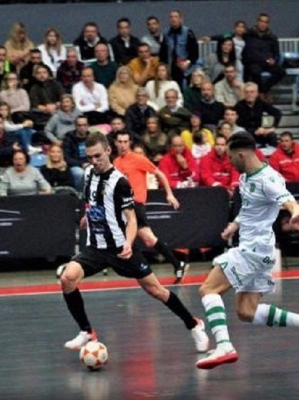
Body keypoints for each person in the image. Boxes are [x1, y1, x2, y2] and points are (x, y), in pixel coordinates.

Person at [58, 130, 208, 352]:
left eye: (98, 156)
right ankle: (87, 331)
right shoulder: (88, 173)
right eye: (89, 157)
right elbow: (93, 201)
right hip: (96, 247)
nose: (94, 161)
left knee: (156, 291)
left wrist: (128, 243)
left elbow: (132, 220)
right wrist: (87, 217)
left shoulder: (120, 182)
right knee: (67, 278)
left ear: (108, 150)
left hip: (121, 248)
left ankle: (194, 324)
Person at [195, 132, 299, 370]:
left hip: (253, 250)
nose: (229, 162)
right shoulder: (246, 176)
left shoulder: (268, 179)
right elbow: (248, 208)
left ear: (241, 155)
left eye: (230, 157)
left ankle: (224, 346)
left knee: (208, 289)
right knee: (246, 311)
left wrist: (296, 212)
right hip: (260, 250)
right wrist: (235, 225)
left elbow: (286, 199)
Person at [113, 131, 188, 282]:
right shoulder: (116, 162)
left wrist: (169, 194)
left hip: (135, 206)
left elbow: (160, 174)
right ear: (115, 143)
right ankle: (177, 264)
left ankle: (140, 270)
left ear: (130, 143)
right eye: (120, 142)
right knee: (149, 240)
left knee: (125, 240)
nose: (122, 145)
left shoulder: (138, 159)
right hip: (122, 206)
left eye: (125, 142)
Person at [242, 13, 285, 97]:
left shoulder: (272, 37)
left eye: (265, 22)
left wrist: (274, 60)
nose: (263, 24)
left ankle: (263, 91)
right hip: (253, 62)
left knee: (281, 72)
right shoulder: (248, 35)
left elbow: (276, 53)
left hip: (267, 62)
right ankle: (261, 94)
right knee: (254, 72)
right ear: (257, 22)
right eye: (261, 21)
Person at [159, 10, 199, 88]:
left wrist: (188, 62)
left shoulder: (188, 32)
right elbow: (163, 51)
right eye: (171, 17)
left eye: (176, 17)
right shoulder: (166, 33)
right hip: (171, 67)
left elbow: (194, 51)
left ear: (181, 19)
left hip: (185, 67)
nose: (173, 19)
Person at [235, 82, 282, 149]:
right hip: (245, 131)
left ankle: (272, 153)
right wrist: (253, 131)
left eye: (252, 92)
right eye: (247, 92)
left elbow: (277, 113)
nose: (249, 94)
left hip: (260, 131)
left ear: (256, 93)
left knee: (272, 136)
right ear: (244, 94)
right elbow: (239, 124)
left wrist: (271, 128)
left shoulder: (260, 103)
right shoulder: (239, 105)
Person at [63, 115, 91, 192]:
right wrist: (81, 164)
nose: (82, 127)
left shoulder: (91, 138)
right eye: (79, 125)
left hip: (90, 163)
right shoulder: (68, 138)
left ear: (88, 126)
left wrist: (89, 163)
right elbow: (66, 157)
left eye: (84, 125)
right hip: (74, 165)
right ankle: (79, 194)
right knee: (80, 173)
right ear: (75, 126)